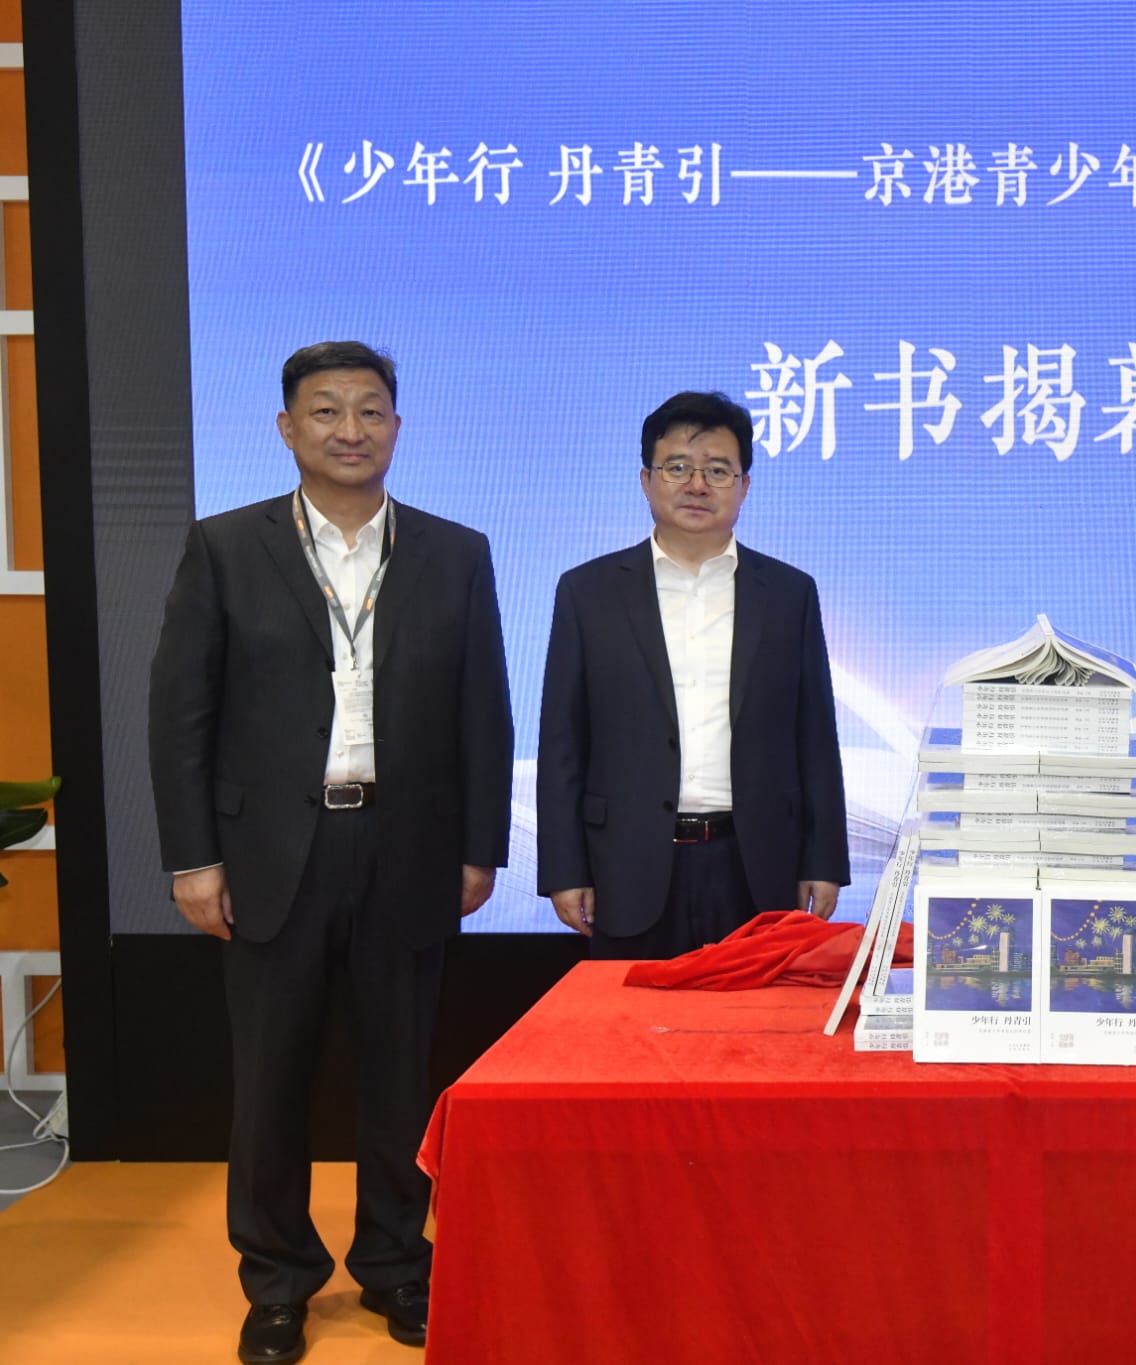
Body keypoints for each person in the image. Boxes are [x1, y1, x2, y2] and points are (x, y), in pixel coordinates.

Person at [148, 342, 513, 1364]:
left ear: (397, 426)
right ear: (286, 428)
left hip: (407, 846)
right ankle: (276, 1283)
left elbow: (483, 710)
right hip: (272, 854)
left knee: (400, 1077)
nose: (350, 429)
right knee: (270, 1083)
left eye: (369, 410)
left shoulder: (455, 551)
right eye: (326, 410)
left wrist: (479, 846)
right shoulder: (226, 547)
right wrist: (192, 856)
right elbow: (180, 714)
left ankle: (396, 1265)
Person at [536, 389, 848, 958]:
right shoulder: (588, 591)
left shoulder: (788, 594)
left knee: (752, 1014)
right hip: (626, 864)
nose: (697, 485)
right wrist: (563, 868)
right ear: (646, 480)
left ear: (745, 486)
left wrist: (824, 859)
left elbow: (816, 738)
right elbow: (563, 742)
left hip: (755, 866)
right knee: (633, 1015)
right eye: (677, 467)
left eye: (718, 471)